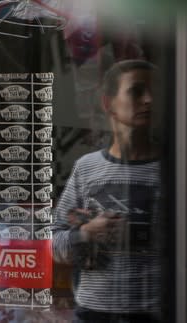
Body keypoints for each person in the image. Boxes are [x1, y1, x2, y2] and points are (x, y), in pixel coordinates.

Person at [52, 59, 161, 322]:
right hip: (93, 312)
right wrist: (85, 234)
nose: (149, 100)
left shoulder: (175, 168)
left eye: (155, 93)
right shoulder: (87, 168)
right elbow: (53, 245)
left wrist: (139, 233)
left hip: (154, 311)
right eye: (136, 91)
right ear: (108, 104)